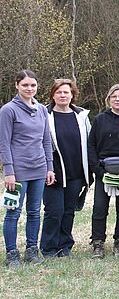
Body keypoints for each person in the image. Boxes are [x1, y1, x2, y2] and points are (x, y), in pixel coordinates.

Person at [0, 70, 55, 267]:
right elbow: (4, 143)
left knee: (34, 212)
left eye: (33, 85)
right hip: (18, 171)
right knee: (13, 213)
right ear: (17, 86)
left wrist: (49, 167)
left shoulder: (41, 109)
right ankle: (11, 253)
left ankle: (32, 250)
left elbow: (46, 140)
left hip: (39, 168)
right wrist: (9, 171)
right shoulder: (8, 110)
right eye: (25, 85)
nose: (29, 88)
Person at [41, 79, 92, 258]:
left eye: (66, 92)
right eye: (59, 92)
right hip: (53, 173)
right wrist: (47, 168)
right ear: (53, 95)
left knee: (69, 211)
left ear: (72, 95)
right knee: (54, 212)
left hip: (76, 172)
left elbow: (89, 143)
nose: (63, 95)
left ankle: (65, 246)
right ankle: (48, 248)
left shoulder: (81, 116)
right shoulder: (44, 116)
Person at [88, 84, 119, 257]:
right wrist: (100, 172)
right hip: (104, 172)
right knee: (100, 208)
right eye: (114, 96)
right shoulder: (100, 119)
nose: (118, 99)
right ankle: (98, 243)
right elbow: (91, 146)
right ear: (109, 99)